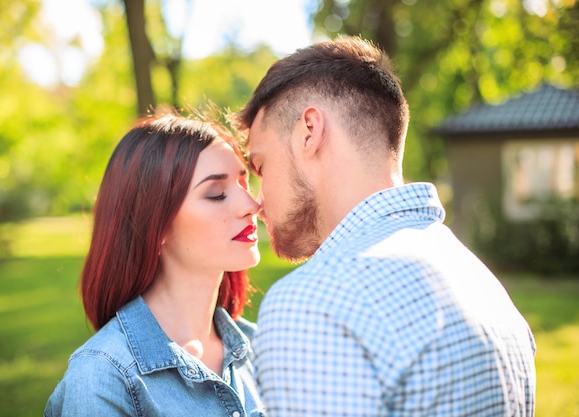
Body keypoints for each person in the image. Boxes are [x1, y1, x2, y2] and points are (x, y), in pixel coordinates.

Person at [235, 36, 536, 416]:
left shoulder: (313, 303)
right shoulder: (483, 284)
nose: (257, 201)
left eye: (260, 167)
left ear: (309, 131)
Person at [44, 112, 266, 417]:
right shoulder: (102, 379)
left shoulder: (266, 349)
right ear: (156, 225)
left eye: (244, 183)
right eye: (217, 194)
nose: (251, 205)